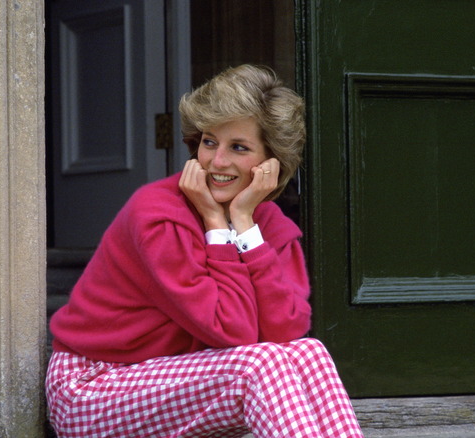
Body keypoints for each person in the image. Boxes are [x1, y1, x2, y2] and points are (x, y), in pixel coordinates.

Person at [46, 65, 363, 438]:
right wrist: (216, 223)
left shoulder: (270, 227)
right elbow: (234, 331)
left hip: (174, 381)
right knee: (258, 366)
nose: (217, 162)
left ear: (271, 162)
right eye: (209, 141)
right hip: (93, 386)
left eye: (239, 147)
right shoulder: (158, 216)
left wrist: (243, 223)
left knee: (309, 353)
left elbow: (287, 331)